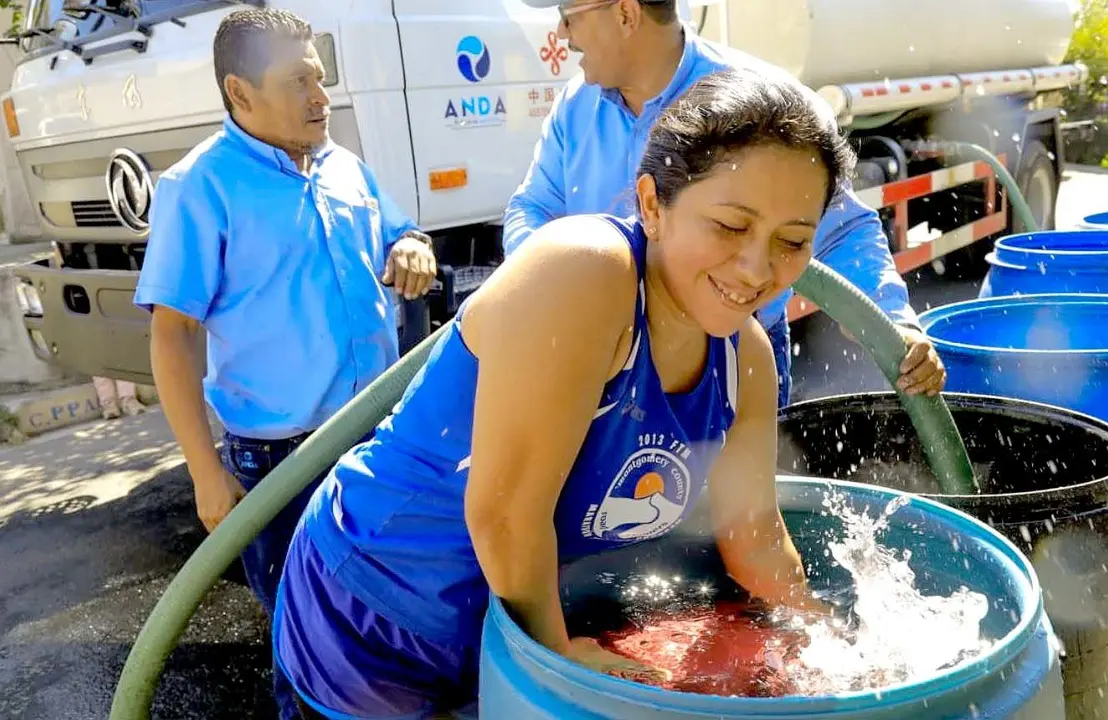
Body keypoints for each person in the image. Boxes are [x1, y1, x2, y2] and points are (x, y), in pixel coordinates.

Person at [272, 67, 855, 719]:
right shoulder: (584, 273)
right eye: (729, 225)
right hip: (379, 608)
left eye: (792, 242)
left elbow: (756, 538)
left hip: (515, 609)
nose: (756, 267)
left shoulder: (745, 360)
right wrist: (557, 660)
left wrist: (834, 640)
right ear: (653, 204)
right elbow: (504, 512)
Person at [132, 8, 437, 719]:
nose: (321, 97)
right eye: (299, 81)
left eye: (321, 79)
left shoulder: (343, 168)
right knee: (308, 651)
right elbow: (172, 338)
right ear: (241, 94)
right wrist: (207, 473)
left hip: (381, 441)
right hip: (282, 467)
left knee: (395, 624)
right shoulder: (199, 188)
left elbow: (401, 234)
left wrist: (412, 245)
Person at [504, 0, 946, 408]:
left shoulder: (758, 104)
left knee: (738, 493)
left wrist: (894, 325)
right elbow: (533, 207)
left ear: (624, 14)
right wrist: (554, 289)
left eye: (569, 13)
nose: (562, 32)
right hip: (606, 350)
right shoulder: (575, 106)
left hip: (734, 349)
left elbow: (842, 229)